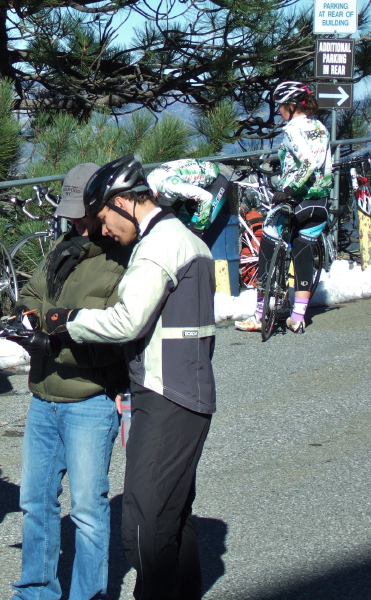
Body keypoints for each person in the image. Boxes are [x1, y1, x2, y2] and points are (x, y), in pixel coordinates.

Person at [44, 155, 216, 600]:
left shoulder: (160, 244)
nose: (103, 230)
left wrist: (68, 320)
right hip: (189, 392)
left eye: (103, 218)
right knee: (174, 514)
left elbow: (127, 321)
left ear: (123, 202)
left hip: (167, 394)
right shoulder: (184, 237)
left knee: (144, 523)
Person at [6, 163, 131, 600]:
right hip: (44, 396)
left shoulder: (123, 259)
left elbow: (117, 340)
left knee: (87, 510)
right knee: (36, 504)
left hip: (90, 401)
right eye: (72, 212)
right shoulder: (64, 245)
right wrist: (28, 320)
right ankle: (35, 591)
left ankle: (88, 595)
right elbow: (32, 294)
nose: (77, 220)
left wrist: (50, 340)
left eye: (83, 212)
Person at [235, 81, 332, 334]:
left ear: (290, 105)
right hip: (319, 202)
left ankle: (260, 315)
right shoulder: (320, 126)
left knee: (268, 244)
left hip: (296, 200)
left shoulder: (292, 129)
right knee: (303, 254)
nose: (279, 110)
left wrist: (288, 189)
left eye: (280, 105)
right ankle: (298, 317)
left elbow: (308, 163)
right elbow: (321, 163)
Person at [147, 158, 231, 237]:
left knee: (195, 232)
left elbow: (206, 197)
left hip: (215, 185)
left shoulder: (171, 185)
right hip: (192, 185)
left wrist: (198, 230)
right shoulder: (150, 179)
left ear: (156, 193)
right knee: (179, 226)